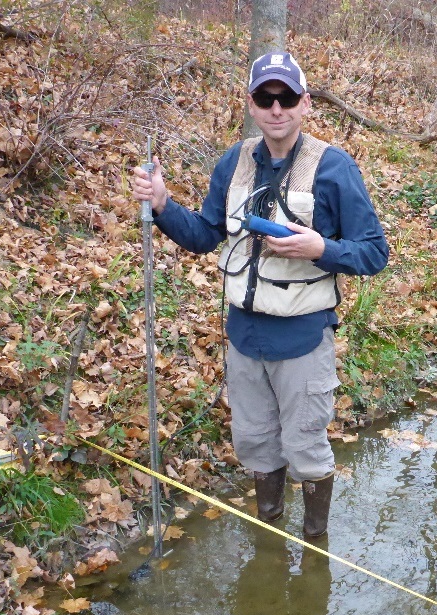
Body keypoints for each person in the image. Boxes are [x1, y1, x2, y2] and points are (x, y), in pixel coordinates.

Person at [132, 52, 388, 538]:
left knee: (307, 449)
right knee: (253, 443)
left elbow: (374, 253)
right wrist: (163, 204)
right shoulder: (234, 161)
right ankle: (269, 537)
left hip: (304, 341)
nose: (277, 109)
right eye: (266, 98)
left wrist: (321, 248)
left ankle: (315, 548)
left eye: (287, 97)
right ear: (251, 104)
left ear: (305, 103)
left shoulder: (334, 168)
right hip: (244, 338)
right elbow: (206, 235)